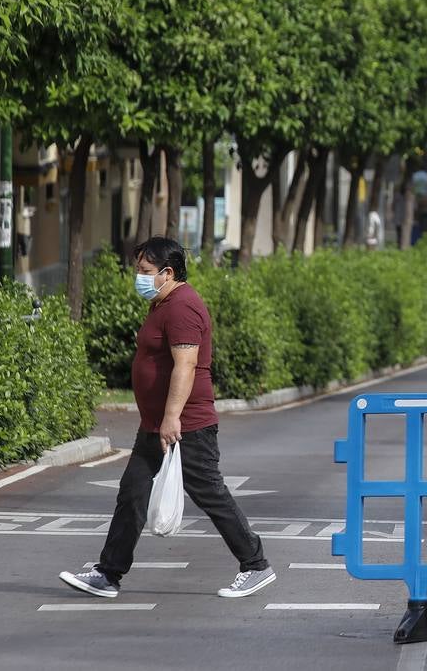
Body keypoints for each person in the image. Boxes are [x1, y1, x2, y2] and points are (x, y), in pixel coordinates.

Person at [59, 237, 274, 600]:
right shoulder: (162, 303)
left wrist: (172, 417)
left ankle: (255, 565)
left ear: (167, 273)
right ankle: (109, 573)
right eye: (138, 270)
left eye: (145, 272)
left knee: (209, 493)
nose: (139, 278)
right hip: (158, 425)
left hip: (186, 424)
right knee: (132, 493)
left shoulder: (182, 307)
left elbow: (186, 365)